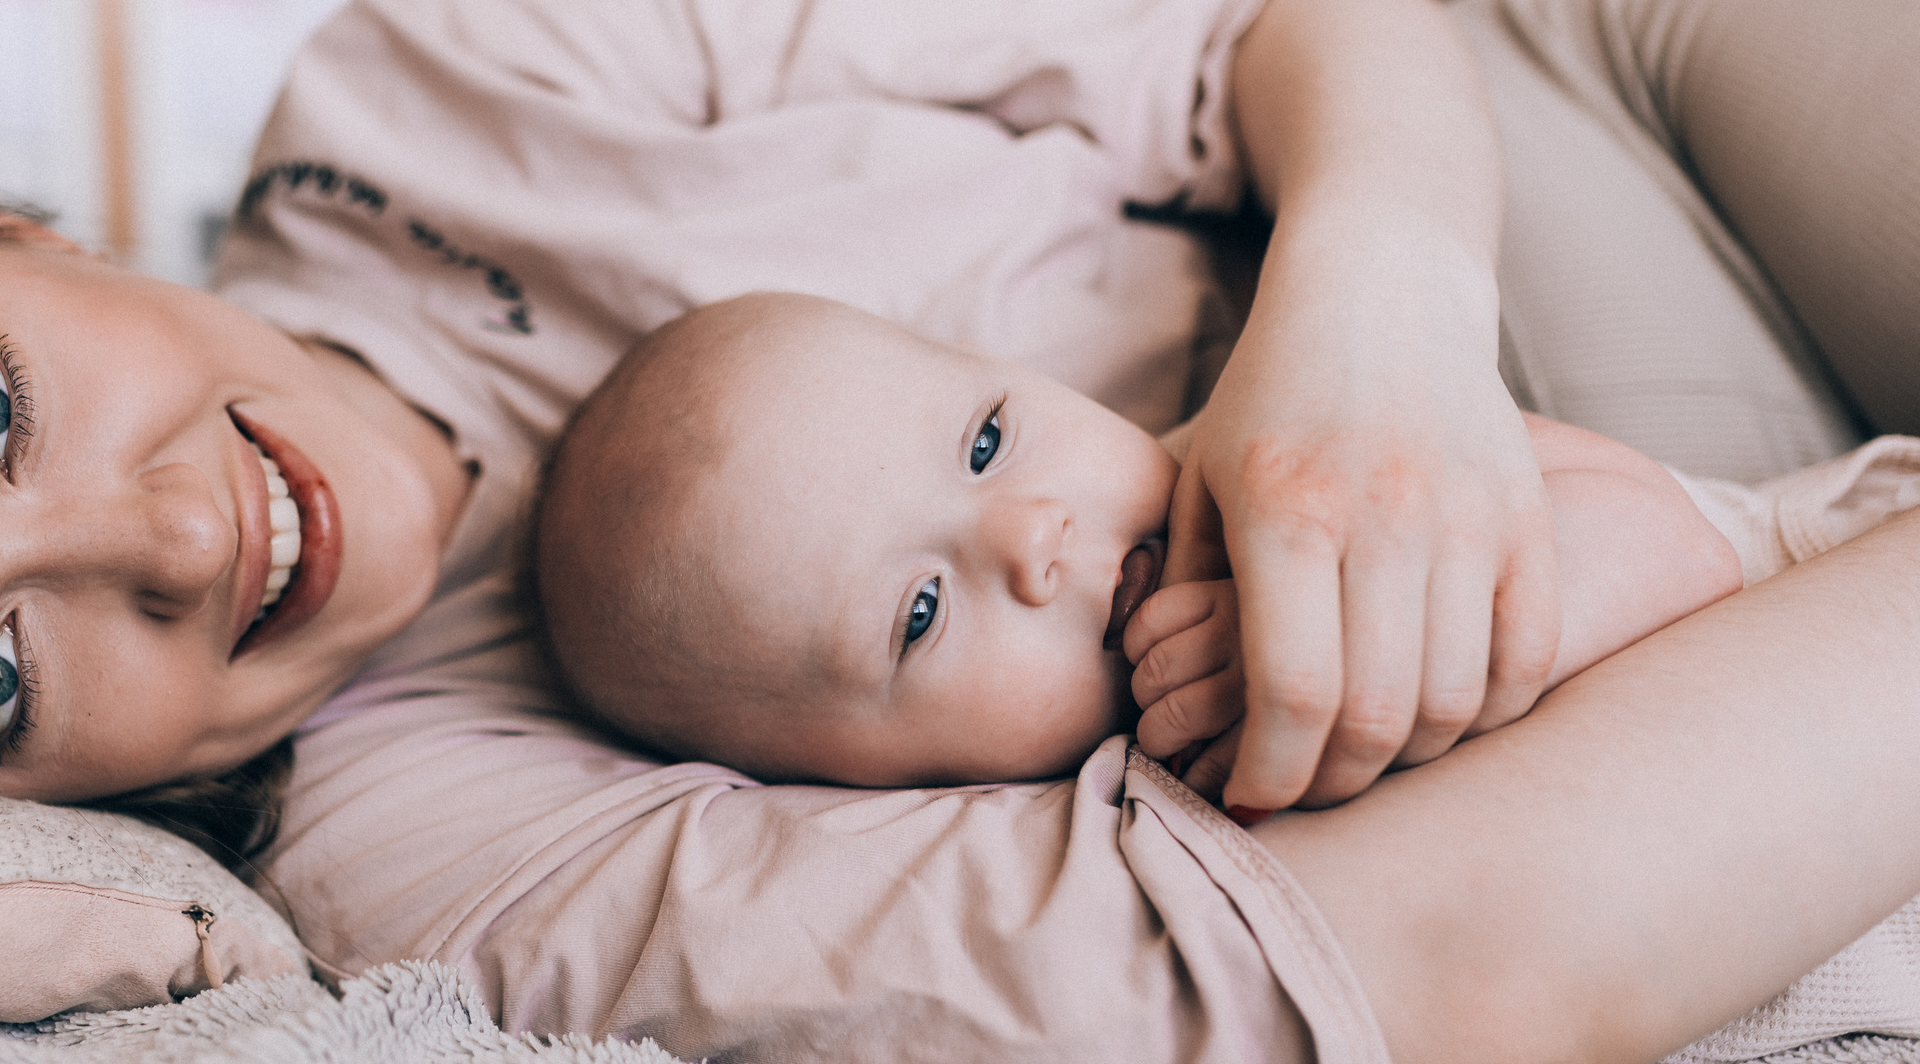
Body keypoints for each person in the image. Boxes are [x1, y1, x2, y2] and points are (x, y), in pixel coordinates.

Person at [0, 0, 1920, 1064]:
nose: (156, 536)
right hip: (1739, 670)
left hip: (1606, 146)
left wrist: (1368, 323)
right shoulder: (432, 854)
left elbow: (1295, 24)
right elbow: (1449, 977)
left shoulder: (446, 85)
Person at [526, 290, 1746, 797]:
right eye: (919, 613)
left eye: (990, 438)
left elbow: (1685, 543)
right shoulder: (1068, 850)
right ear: (841, 785)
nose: (1029, 537)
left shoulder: (1279, 455)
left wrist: (1323, 626)